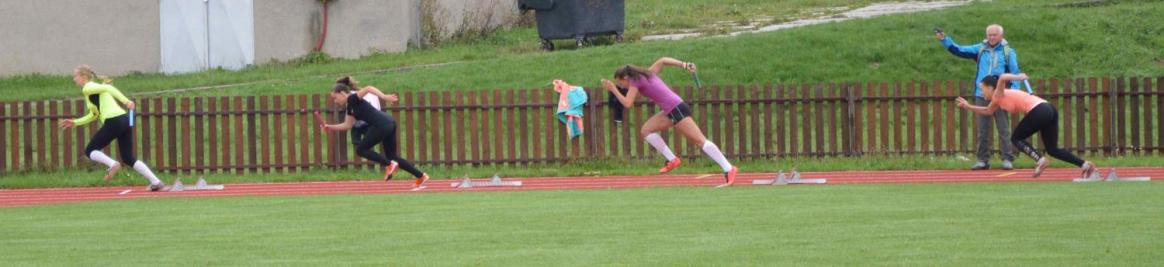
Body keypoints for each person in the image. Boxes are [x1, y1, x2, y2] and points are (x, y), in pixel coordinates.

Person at [602, 57, 738, 187]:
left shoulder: (635, 81)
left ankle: (729, 168)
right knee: (646, 130)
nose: (622, 86)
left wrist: (613, 89)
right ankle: (672, 159)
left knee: (700, 141)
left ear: (626, 77)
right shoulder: (647, 74)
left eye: (621, 83)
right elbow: (663, 60)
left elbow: (627, 103)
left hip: (676, 109)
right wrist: (685, 65)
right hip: (671, 110)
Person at [955, 74, 1097, 178]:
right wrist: (968, 106)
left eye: (983, 89)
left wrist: (1019, 77)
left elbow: (1003, 77)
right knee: (1052, 149)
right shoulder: (996, 100)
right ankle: (1085, 165)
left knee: (1016, 138)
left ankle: (1040, 160)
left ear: (991, 88)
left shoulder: (998, 93)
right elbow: (987, 111)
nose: (981, 92)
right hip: (1049, 109)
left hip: (1040, 110)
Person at [57, 65, 165, 191]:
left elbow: (108, 87)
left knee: (90, 150)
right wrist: (75, 122)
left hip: (114, 121)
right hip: (124, 120)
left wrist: (126, 102)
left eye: (75, 76)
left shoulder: (88, 87)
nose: (74, 79)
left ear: (84, 76)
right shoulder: (94, 90)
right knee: (128, 158)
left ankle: (112, 164)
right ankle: (156, 182)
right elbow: (94, 114)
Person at [937, 24, 1027, 170]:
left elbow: (1015, 74)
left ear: (1001, 36)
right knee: (982, 129)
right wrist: (945, 40)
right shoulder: (980, 49)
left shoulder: (1008, 52)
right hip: (981, 94)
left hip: (1001, 96)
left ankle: (1007, 159)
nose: (991, 37)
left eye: (994, 35)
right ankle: (982, 160)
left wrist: (1012, 93)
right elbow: (959, 50)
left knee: (1003, 128)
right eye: (989, 35)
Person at [321, 76, 430, 189]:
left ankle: (389, 164)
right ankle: (421, 176)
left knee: (361, 149)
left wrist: (384, 97)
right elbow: (347, 125)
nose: (335, 101)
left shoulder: (352, 98)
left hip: (381, 124)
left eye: (335, 97)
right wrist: (329, 127)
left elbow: (368, 88)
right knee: (392, 156)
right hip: (389, 122)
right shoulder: (350, 107)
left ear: (342, 93)